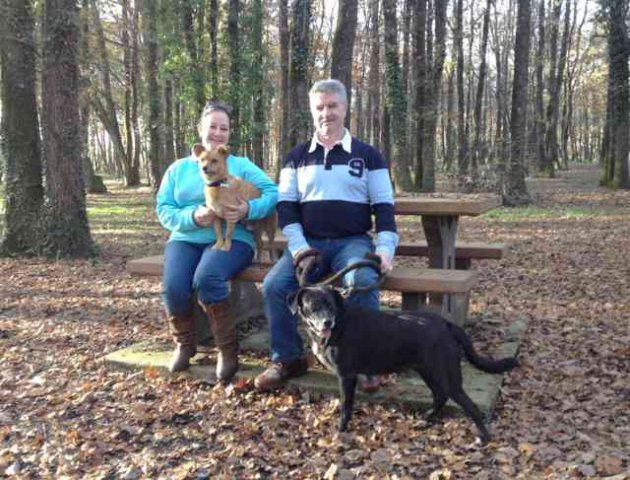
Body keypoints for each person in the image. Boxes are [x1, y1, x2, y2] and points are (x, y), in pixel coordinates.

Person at [254, 79, 399, 391]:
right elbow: (287, 210)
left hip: (353, 242)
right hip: (310, 246)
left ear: (345, 108)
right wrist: (300, 249)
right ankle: (288, 358)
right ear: (312, 110)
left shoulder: (369, 155)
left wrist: (385, 250)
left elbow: (385, 209)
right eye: (320, 107)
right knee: (274, 286)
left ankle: (365, 360)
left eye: (332, 106)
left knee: (360, 281)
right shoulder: (295, 157)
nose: (326, 113)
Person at [156, 101, 278, 382]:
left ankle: (227, 349)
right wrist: (191, 217)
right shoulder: (179, 169)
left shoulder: (240, 165)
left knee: (208, 278)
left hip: (235, 238)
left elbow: (273, 193)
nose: (218, 132)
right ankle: (184, 344)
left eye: (224, 128)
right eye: (213, 126)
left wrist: (249, 209)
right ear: (201, 129)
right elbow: (164, 208)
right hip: (186, 237)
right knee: (174, 287)